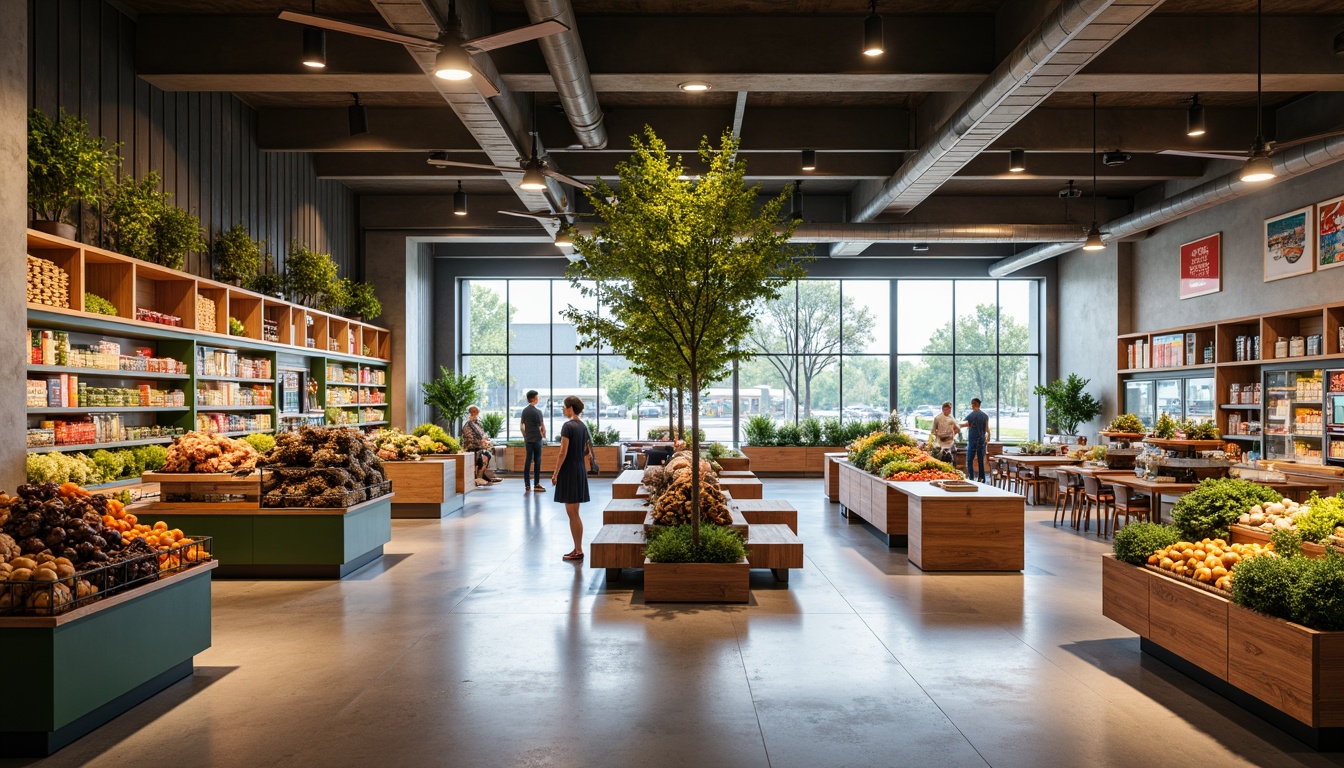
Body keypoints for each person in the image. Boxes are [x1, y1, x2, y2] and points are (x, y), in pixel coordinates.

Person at [552, 395, 596, 561]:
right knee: (575, 513)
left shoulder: (568, 426)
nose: (563, 409)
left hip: (569, 471)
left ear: (570, 408)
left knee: (572, 513)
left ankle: (578, 550)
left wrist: (555, 473)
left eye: (564, 406)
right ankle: (577, 548)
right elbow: (586, 451)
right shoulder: (583, 426)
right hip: (580, 470)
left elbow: (563, 452)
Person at [461, 405, 500, 486]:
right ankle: (478, 477)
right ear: (473, 413)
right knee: (482, 457)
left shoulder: (476, 423)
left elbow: (481, 434)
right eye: (476, 412)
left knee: (488, 455)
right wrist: (481, 442)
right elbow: (470, 438)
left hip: (477, 446)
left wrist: (484, 440)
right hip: (472, 447)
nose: (478, 414)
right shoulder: (469, 424)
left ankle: (481, 475)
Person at [519, 390, 546, 493]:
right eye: (537, 397)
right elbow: (542, 428)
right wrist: (544, 437)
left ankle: (527, 485)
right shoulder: (538, 412)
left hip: (528, 440)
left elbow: (522, 426)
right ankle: (536, 484)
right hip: (537, 439)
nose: (538, 399)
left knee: (528, 461)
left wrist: (525, 436)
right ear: (534, 399)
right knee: (537, 462)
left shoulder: (524, 411)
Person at [960, 398, 992, 482]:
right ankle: (982, 478)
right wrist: (988, 437)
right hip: (981, 441)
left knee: (969, 460)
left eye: (971, 404)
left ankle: (971, 478)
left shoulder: (971, 415)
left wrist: (956, 426)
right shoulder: (985, 416)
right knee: (981, 460)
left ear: (973, 404)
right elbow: (987, 429)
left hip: (972, 441)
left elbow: (967, 424)